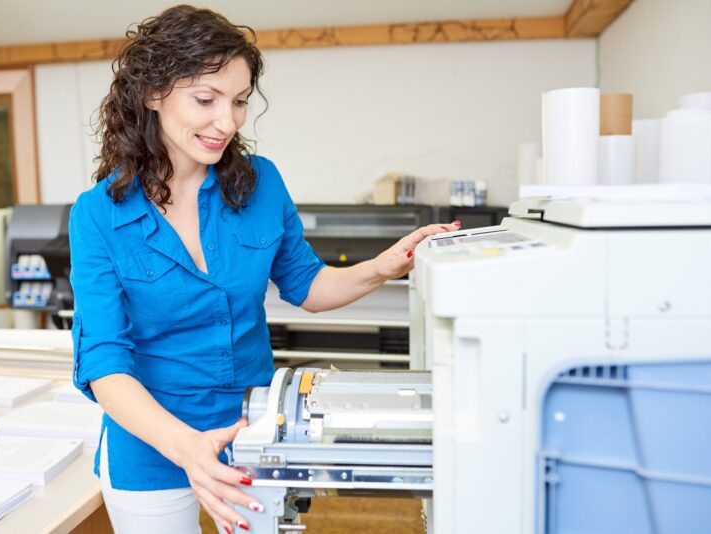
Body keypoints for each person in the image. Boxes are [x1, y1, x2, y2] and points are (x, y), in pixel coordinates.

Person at [69, 5, 461, 533]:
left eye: (238, 102)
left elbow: (307, 285)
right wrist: (187, 448)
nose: (227, 122)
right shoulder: (97, 214)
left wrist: (384, 267)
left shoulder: (258, 183)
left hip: (251, 426)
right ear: (151, 94)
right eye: (205, 100)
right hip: (150, 440)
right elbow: (104, 363)